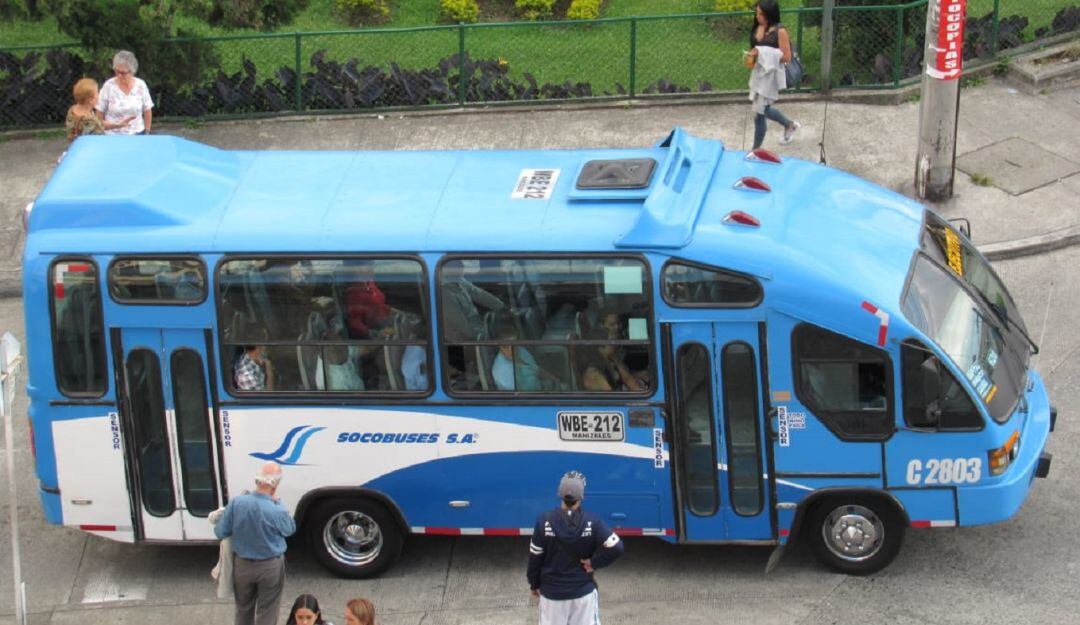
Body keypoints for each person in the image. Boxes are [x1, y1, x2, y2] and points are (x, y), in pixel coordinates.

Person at [527, 471, 624, 625]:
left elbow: (535, 558)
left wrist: (534, 584)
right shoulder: (593, 521)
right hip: (583, 594)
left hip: (552, 595)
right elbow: (617, 547)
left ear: (560, 495)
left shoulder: (543, 521)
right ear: (581, 497)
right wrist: (594, 563)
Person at [214, 462, 296, 625]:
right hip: (270, 566)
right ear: (276, 484)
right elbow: (289, 529)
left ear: (257, 481)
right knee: (268, 611)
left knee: (243, 609)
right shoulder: (276, 509)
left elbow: (220, 532)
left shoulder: (237, 502)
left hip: (242, 566)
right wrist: (279, 503)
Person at [745, 0, 800, 148]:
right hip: (759, 73)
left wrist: (761, 53)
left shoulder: (780, 31)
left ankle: (755, 150)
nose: (758, 17)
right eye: (757, 13)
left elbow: (786, 57)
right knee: (763, 109)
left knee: (759, 113)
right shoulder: (758, 27)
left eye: (761, 14)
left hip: (771, 76)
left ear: (770, 14)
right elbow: (756, 48)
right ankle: (789, 125)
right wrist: (752, 56)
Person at [96, 50, 153, 135]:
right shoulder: (108, 86)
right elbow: (100, 110)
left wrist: (147, 131)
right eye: (117, 71)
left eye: (123, 73)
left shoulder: (141, 85)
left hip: (137, 133)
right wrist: (100, 132)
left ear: (132, 71)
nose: (119, 75)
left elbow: (147, 109)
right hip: (112, 135)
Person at [65, 78, 132, 141]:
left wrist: (118, 125)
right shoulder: (90, 121)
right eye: (97, 93)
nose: (99, 95)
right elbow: (100, 140)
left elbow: (99, 124)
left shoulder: (72, 109)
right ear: (90, 100)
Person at [493, 328, 557, 392]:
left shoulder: (521, 351)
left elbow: (537, 369)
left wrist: (555, 380)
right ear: (499, 347)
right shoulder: (501, 371)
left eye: (514, 345)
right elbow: (518, 397)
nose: (511, 351)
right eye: (505, 347)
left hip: (541, 386)